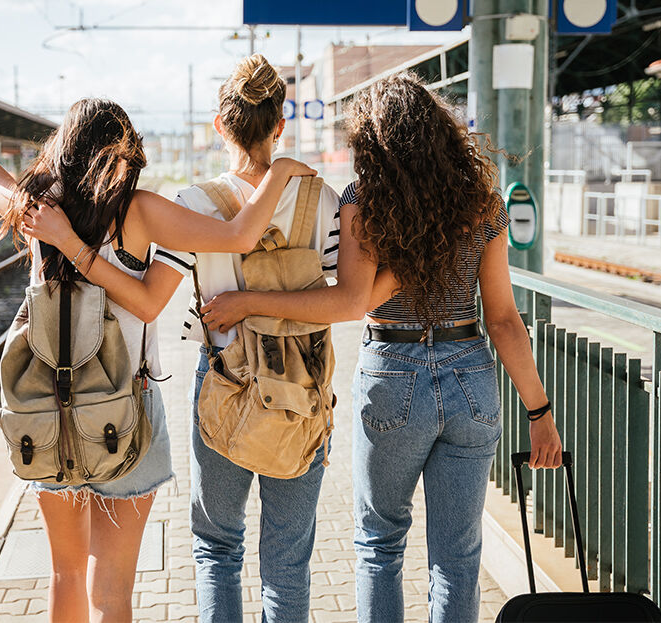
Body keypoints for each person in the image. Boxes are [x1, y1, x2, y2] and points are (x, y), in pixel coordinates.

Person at [0, 21, 313, 623]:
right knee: (113, 593)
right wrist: (280, 172)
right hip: (129, 411)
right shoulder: (142, 212)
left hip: (47, 412)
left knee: (65, 575)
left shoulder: (33, 210)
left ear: (63, 147)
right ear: (121, 150)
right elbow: (238, 234)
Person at [200, 73, 564, 623]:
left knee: (380, 544)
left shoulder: (366, 200)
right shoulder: (480, 203)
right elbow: (506, 320)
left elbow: (351, 303)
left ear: (374, 140)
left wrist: (249, 301)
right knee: (459, 558)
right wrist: (539, 411)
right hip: (471, 376)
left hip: (393, 377)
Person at [24, 54, 341, 623]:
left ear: (220, 126)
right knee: (289, 562)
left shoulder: (195, 201)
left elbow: (171, 283)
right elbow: (345, 297)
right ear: (279, 124)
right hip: (303, 390)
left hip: (225, 382)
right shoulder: (325, 200)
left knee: (218, 548)